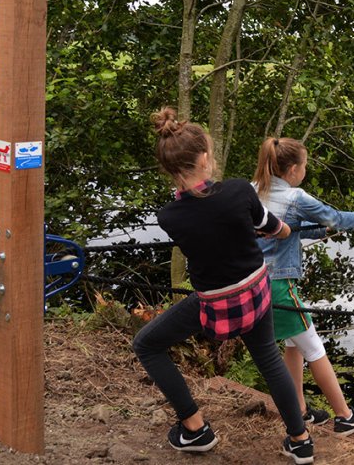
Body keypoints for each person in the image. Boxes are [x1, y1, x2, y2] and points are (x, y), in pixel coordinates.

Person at [132, 108, 316, 464]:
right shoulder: (237, 192)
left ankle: (195, 428)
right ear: (204, 158)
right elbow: (273, 227)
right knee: (269, 360)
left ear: (169, 169)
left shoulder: (169, 217)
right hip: (256, 293)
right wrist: (281, 230)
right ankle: (300, 440)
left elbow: (204, 226)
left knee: (147, 345)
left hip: (214, 306)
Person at [252, 136, 354, 436]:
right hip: (280, 283)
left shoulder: (252, 190)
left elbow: (287, 227)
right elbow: (335, 217)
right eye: (305, 165)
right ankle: (345, 416)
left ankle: (300, 409)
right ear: (293, 169)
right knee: (314, 347)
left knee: (294, 345)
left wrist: (321, 230)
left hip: (254, 281)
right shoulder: (296, 197)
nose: (305, 170)